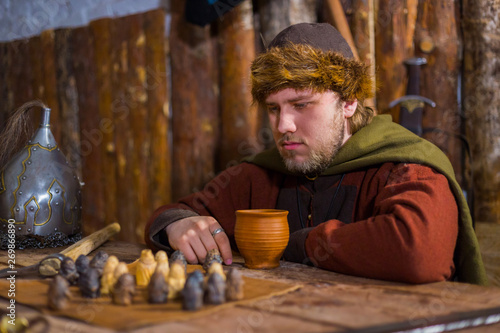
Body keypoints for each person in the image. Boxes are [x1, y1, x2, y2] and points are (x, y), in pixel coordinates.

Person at [145, 23, 487, 285]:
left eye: (301, 105)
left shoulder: (404, 167)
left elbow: (418, 251)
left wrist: (303, 245)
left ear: (349, 102)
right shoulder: (260, 174)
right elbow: (178, 213)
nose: (283, 126)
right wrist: (179, 224)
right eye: (273, 109)